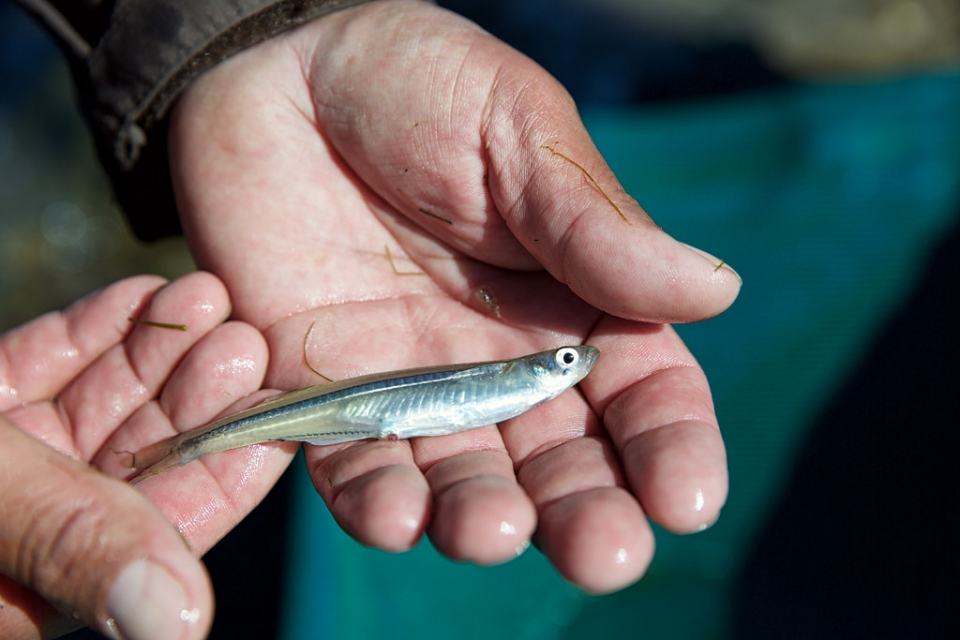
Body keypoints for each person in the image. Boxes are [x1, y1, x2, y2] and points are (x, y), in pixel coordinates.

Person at [3, 1, 741, 639]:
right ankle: (189, 445)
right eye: (562, 363)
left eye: (566, 365)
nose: (568, 367)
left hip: (357, 405)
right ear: (534, 370)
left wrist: (249, 37)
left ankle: (188, 445)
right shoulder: (526, 382)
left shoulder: (519, 385)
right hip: (352, 407)